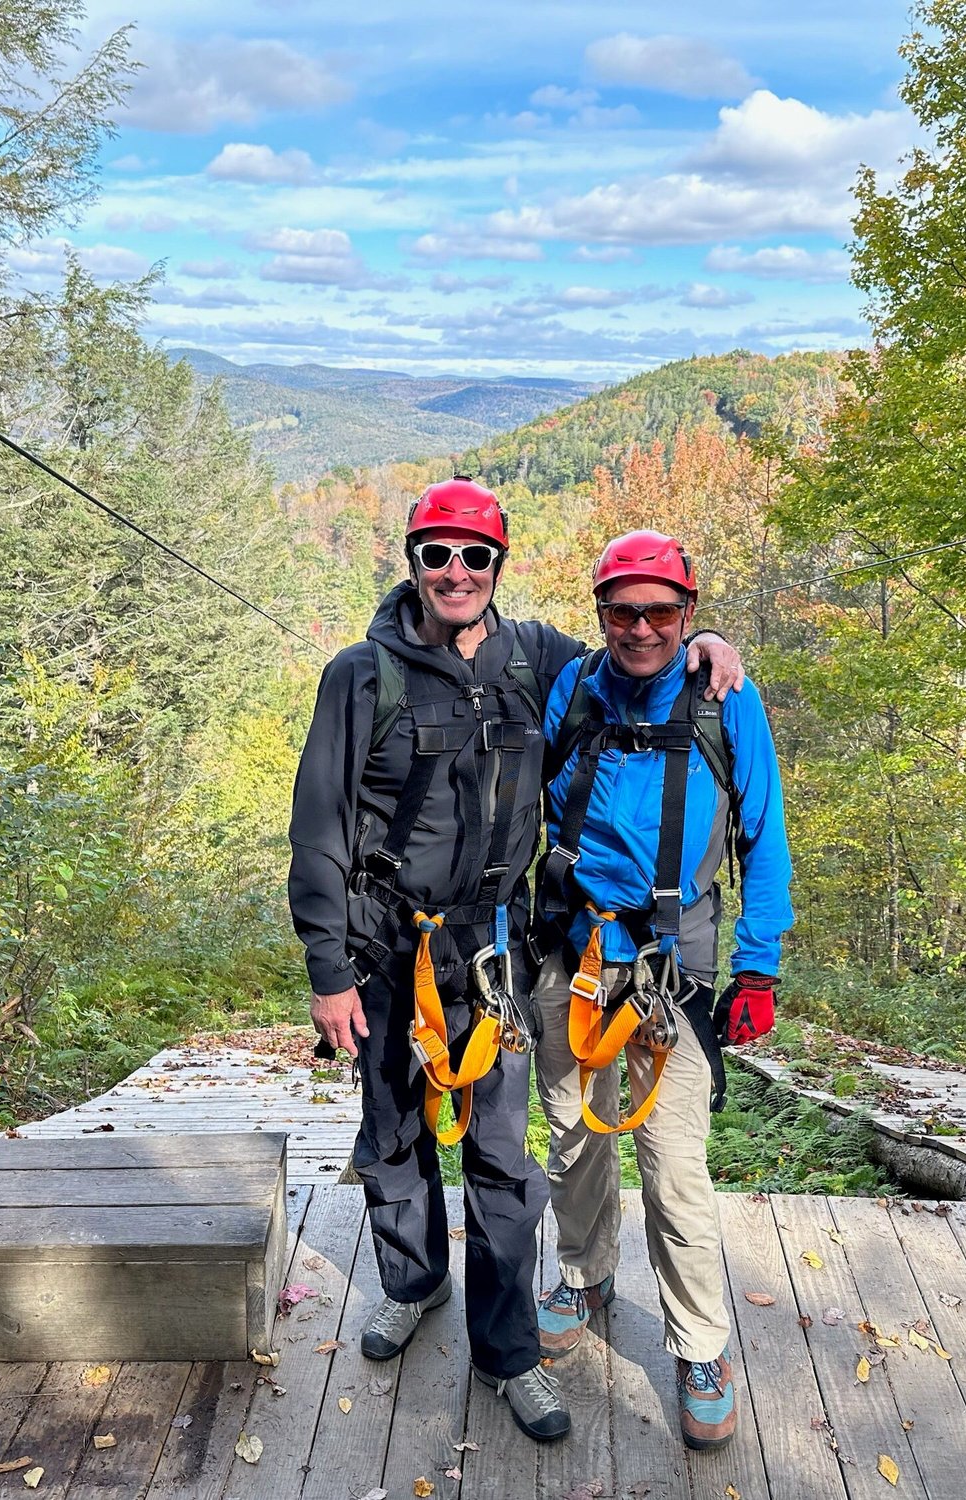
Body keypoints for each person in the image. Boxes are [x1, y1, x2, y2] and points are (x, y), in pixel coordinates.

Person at [287, 482, 744, 1443]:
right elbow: (318, 826)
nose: (456, 572)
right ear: (412, 562)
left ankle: (507, 1354)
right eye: (438, 553)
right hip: (386, 946)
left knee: (500, 1155)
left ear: (499, 565)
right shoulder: (361, 675)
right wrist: (328, 968)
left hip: (496, 949)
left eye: (476, 555)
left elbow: (637, 659)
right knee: (393, 1133)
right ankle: (413, 1282)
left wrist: (709, 644)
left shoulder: (536, 660)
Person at [530, 528, 792, 1451]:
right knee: (574, 1135)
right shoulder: (573, 686)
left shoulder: (725, 700)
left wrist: (758, 963)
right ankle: (584, 1273)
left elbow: (763, 835)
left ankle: (701, 1345)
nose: (641, 628)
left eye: (662, 612)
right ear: (600, 612)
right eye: (622, 610)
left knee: (673, 1163)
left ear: (688, 613)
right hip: (573, 950)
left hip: (672, 966)